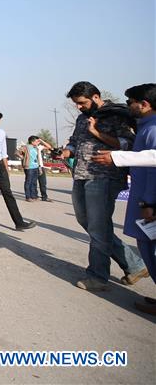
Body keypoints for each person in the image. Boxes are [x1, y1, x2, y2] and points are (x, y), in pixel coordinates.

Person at [61, 81, 146, 292]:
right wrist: (68, 150)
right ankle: (135, 265)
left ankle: (98, 276)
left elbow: (128, 144)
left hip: (104, 177)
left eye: (82, 103)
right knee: (87, 222)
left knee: (98, 227)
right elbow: (75, 140)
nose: (79, 107)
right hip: (81, 174)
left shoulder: (116, 115)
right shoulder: (82, 118)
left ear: (96, 97)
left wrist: (96, 132)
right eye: (76, 103)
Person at [92, 84, 156, 314]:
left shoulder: (153, 129)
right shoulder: (145, 126)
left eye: (130, 102)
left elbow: (153, 166)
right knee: (146, 247)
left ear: (144, 104)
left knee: (151, 248)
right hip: (143, 199)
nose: (128, 106)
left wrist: (149, 202)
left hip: (148, 203)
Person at [19, 136, 42, 201]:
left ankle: (34, 196)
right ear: (32, 142)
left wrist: (39, 167)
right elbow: (17, 152)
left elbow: (37, 158)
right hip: (29, 167)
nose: (38, 142)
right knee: (28, 182)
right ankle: (28, 197)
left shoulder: (36, 148)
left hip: (36, 167)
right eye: (37, 141)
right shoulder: (25, 147)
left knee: (34, 182)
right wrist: (23, 157)